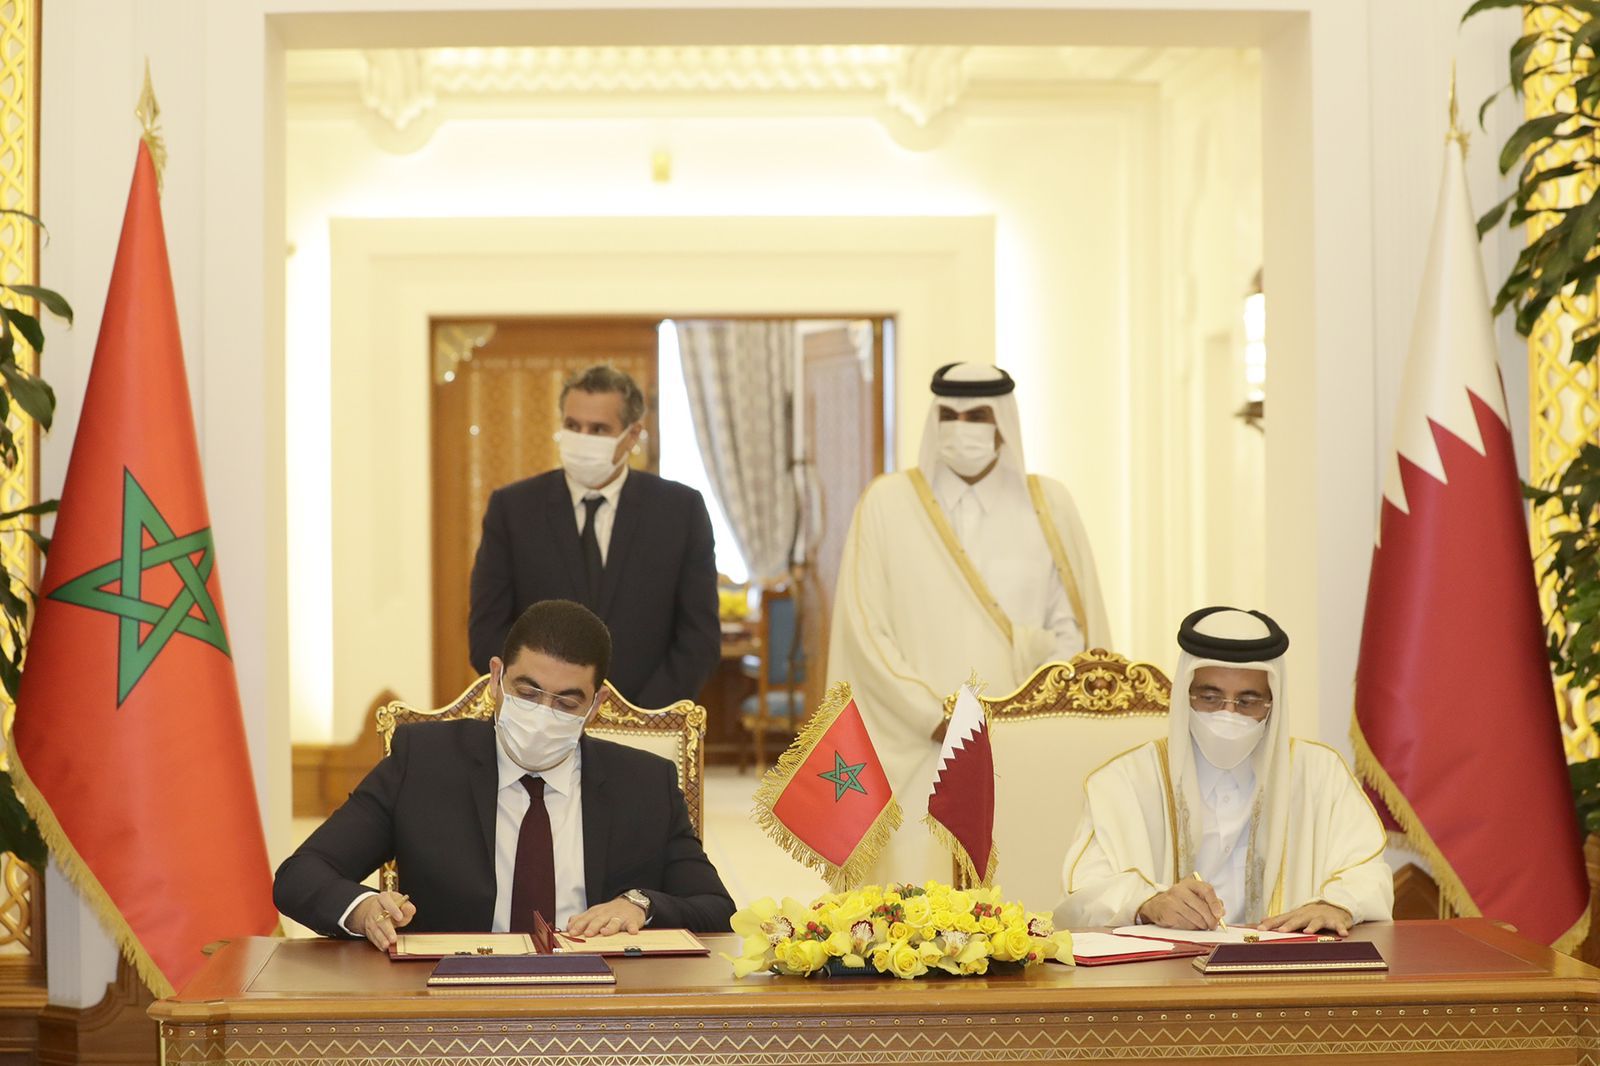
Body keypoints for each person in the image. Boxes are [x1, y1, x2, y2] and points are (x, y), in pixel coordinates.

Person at [274, 599, 735, 949]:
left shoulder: (645, 783)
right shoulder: (425, 762)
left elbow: (716, 909)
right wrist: (362, 909)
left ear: (595, 705)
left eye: (566, 702)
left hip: (599, 1010)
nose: (542, 714)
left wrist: (640, 905)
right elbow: (301, 875)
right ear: (496, 678)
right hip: (454, 1005)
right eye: (527, 692)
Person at [827, 361, 1110, 882]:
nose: (962, 428)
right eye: (949, 415)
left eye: (977, 415)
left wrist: (1028, 718)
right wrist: (935, 717)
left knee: (1018, 891)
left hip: (1018, 746)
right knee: (911, 900)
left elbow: (1074, 632)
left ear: (1002, 421)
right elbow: (865, 627)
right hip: (916, 745)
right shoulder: (888, 502)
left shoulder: (1049, 505)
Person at [1056, 606, 1393, 934]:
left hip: (1284, 967)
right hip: (1166, 969)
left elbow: (1368, 874)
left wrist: (1337, 904)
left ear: (1273, 704)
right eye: (1210, 698)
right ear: (1184, 695)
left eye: (1248, 702)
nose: (1228, 715)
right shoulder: (1124, 782)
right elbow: (1083, 896)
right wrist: (1146, 903)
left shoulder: (1320, 776)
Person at [468, 364, 720, 707]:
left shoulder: (680, 511)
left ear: (632, 435)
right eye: (573, 426)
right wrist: (540, 703)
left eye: (598, 429)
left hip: (648, 719)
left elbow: (699, 637)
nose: (583, 438)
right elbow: (487, 630)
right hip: (538, 718)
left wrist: (640, 716)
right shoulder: (513, 508)